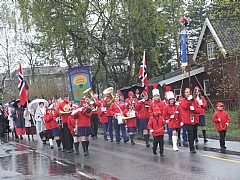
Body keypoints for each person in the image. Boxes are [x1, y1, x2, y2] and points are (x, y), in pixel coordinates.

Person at [180, 88, 201, 153]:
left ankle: (192, 142)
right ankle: (191, 148)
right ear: (184, 93)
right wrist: (189, 101)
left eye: (188, 92)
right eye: (186, 92)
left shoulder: (195, 101)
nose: (187, 93)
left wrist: (194, 109)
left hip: (194, 120)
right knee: (190, 133)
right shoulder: (183, 101)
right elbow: (184, 106)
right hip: (187, 120)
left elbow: (199, 110)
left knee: (194, 133)